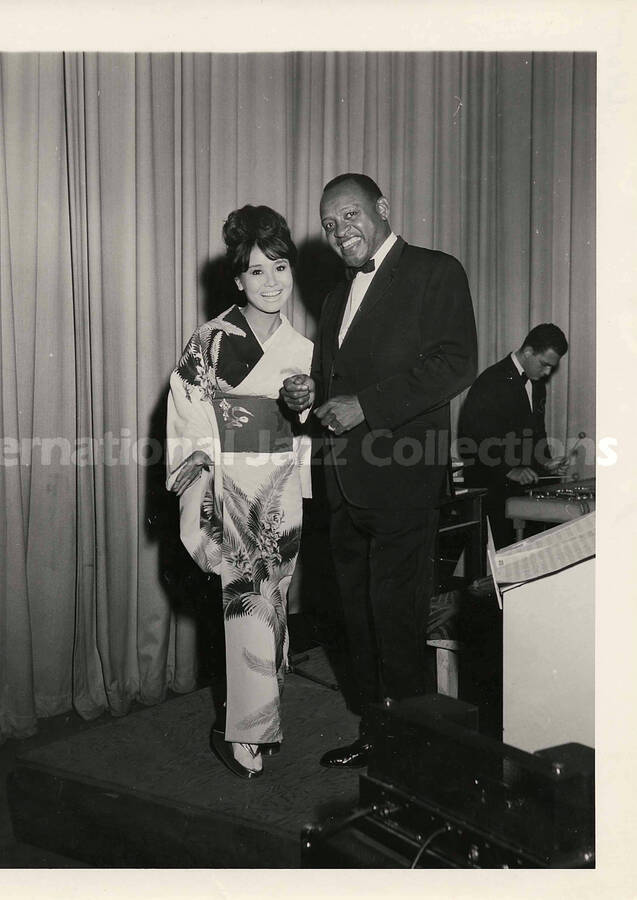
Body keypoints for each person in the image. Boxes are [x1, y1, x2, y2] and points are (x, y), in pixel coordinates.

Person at [281, 173, 478, 769]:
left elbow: (456, 363)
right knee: (358, 618)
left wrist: (365, 405)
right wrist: (306, 392)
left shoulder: (434, 271)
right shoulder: (336, 299)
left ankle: (416, 751)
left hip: (401, 479)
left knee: (396, 618)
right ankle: (378, 732)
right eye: (330, 225)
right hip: (344, 483)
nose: (341, 232)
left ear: (383, 209)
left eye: (350, 216)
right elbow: (335, 388)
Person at [166, 205, 313, 779]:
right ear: (237, 280)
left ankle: (257, 716)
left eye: (280, 267)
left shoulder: (304, 350)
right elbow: (189, 420)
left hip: (282, 487)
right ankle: (246, 736)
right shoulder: (209, 343)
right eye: (257, 271)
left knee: (272, 604)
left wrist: (305, 412)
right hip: (231, 489)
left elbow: (310, 431)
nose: (272, 282)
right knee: (245, 606)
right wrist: (205, 494)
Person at [458, 323, 569, 549]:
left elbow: (537, 432)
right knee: (505, 561)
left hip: (521, 491)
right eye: (545, 365)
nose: (548, 373)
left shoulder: (537, 385)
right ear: (528, 352)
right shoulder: (490, 381)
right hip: (492, 487)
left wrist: (546, 462)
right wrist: (509, 470)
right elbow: (472, 437)